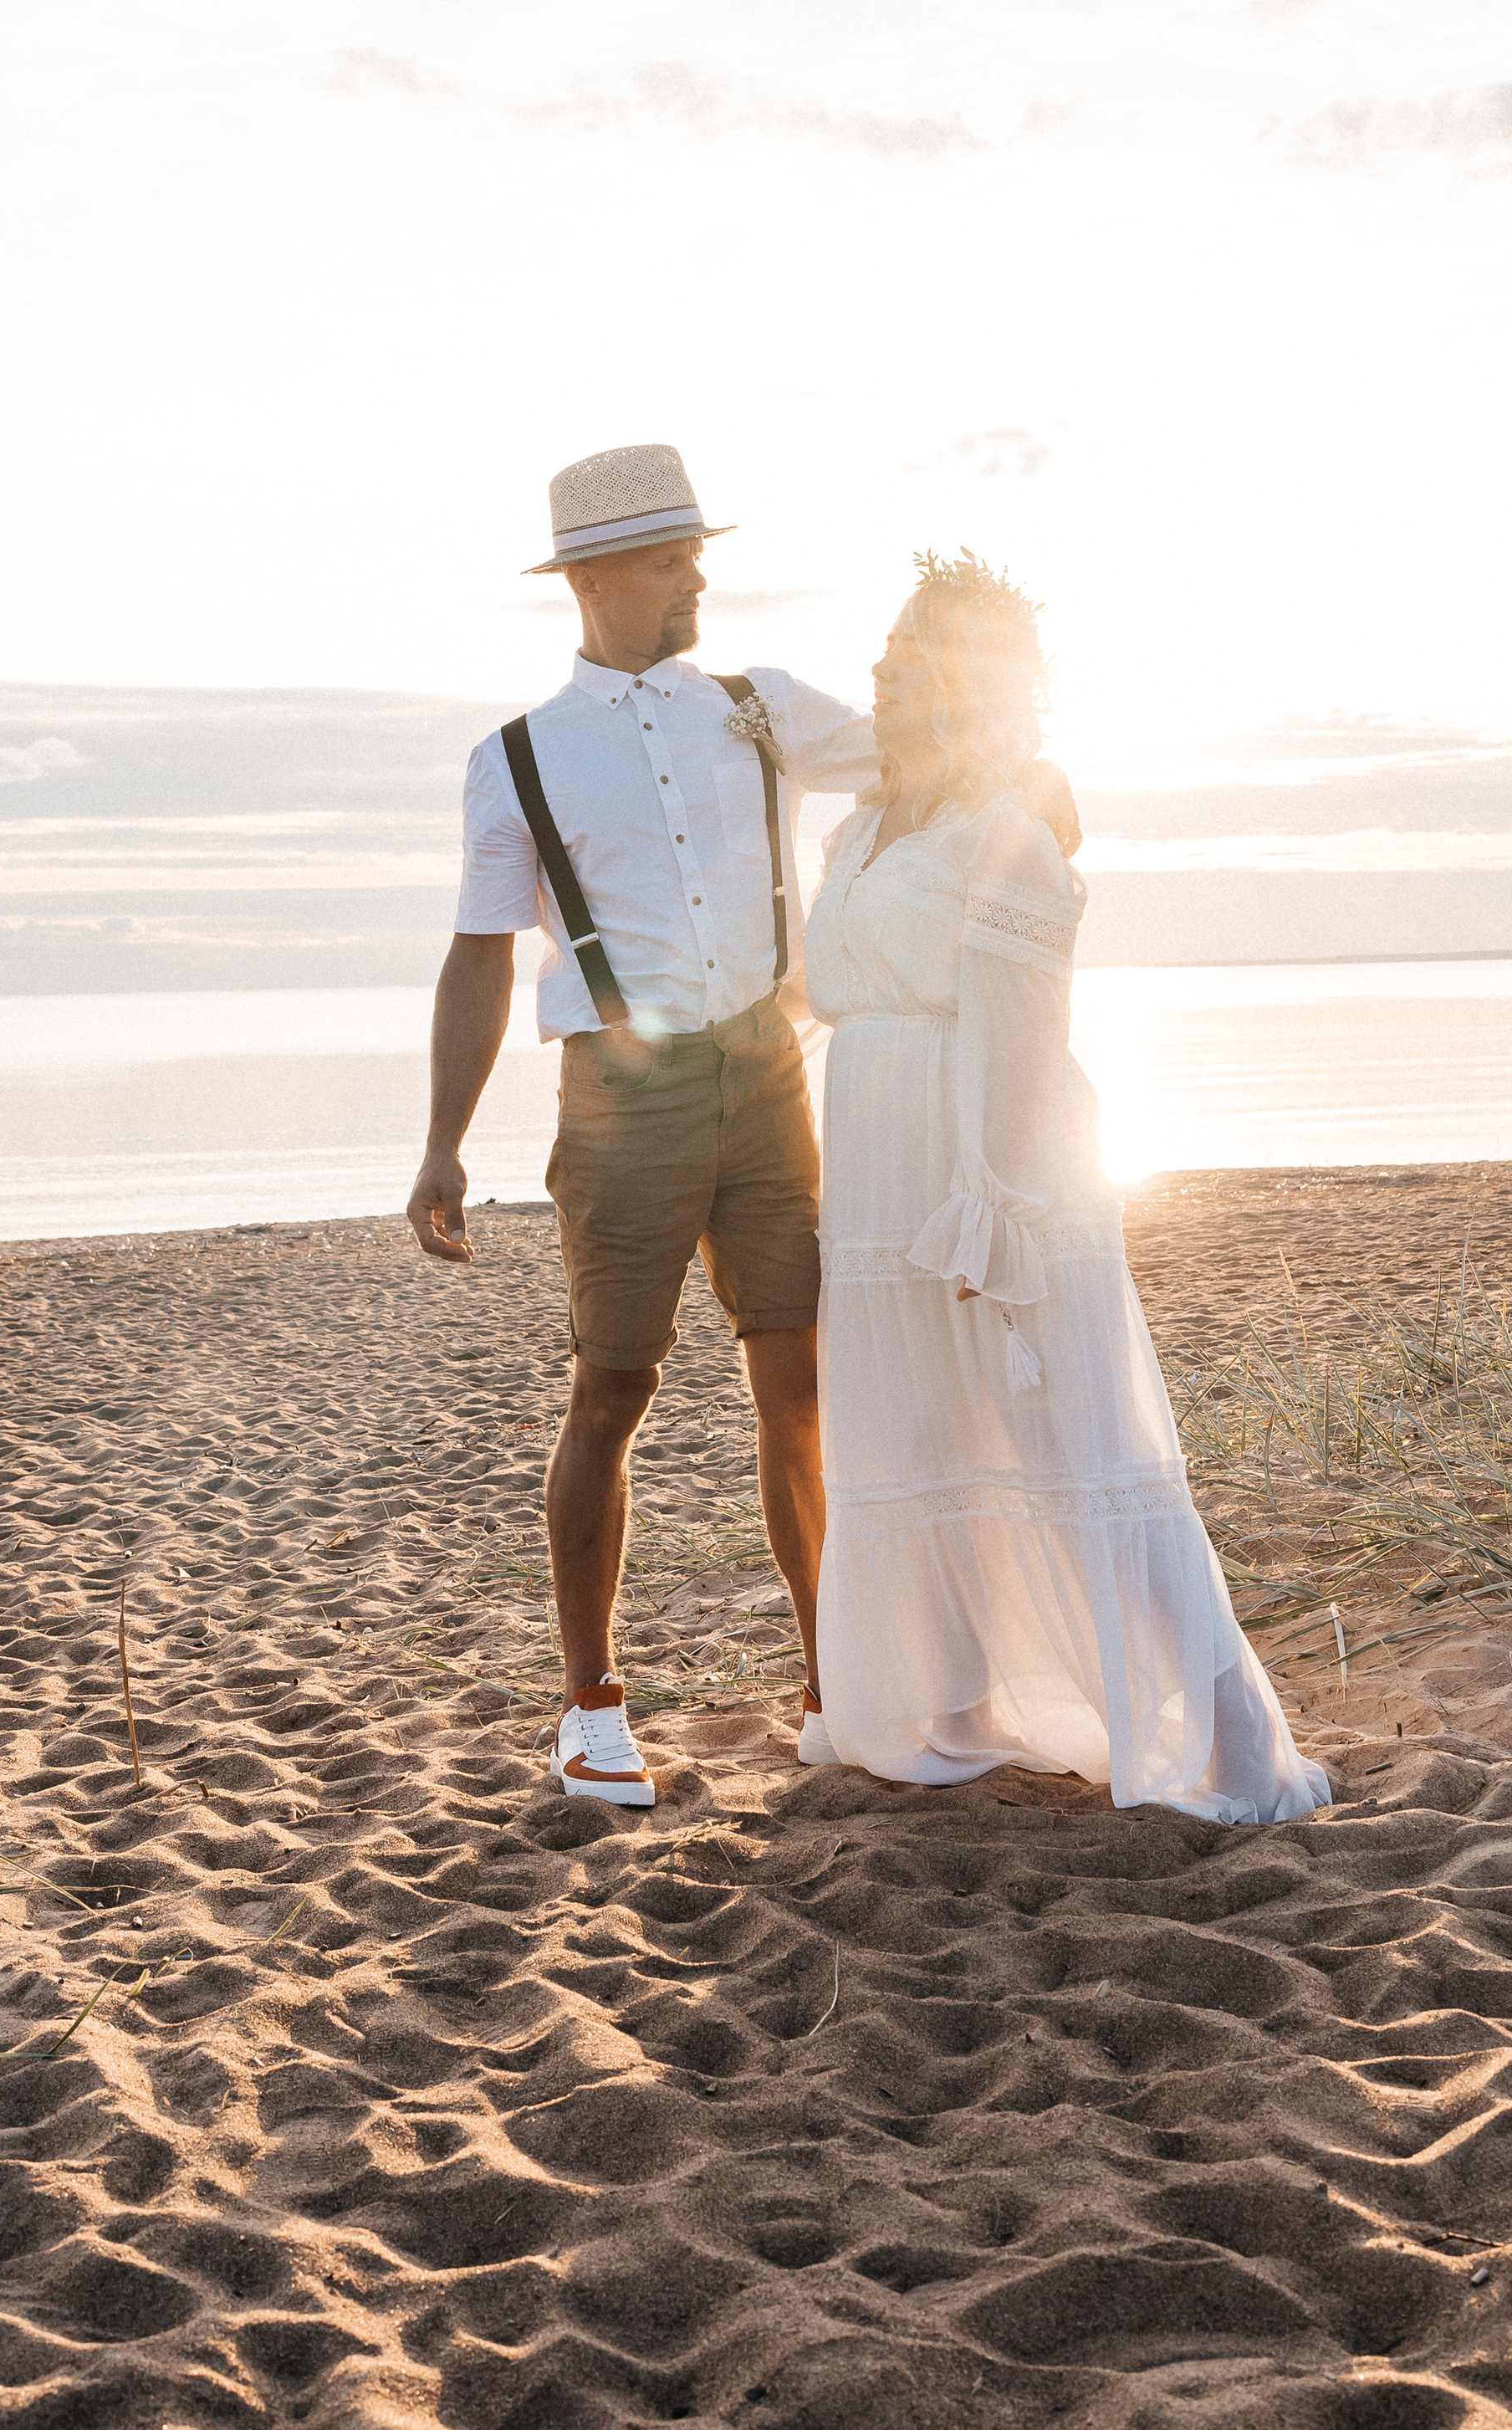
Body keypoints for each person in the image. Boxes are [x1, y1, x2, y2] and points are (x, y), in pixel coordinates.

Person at [406, 445, 1075, 1811]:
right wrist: (441, 1143)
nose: (697, 574)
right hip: (618, 1100)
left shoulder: (761, 707)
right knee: (613, 1391)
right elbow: (479, 955)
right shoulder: (516, 759)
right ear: (595, 577)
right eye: (670, 558)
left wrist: (1042, 797)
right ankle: (590, 1704)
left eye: (695, 551)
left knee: (804, 1392)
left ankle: (836, 1683)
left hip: (770, 1084)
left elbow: (930, 754)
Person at [803, 550, 1330, 1824]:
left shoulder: (1010, 835)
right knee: (924, 1439)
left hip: (992, 1184)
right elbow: (823, 981)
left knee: (1078, 1451)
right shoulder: (863, 827)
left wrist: (993, 1201)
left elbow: (1026, 1037)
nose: (873, 677)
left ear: (958, 686)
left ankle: (1238, 1748)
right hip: (875, 1183)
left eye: (900, 660)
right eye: (877, 654)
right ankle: (957, 1707)